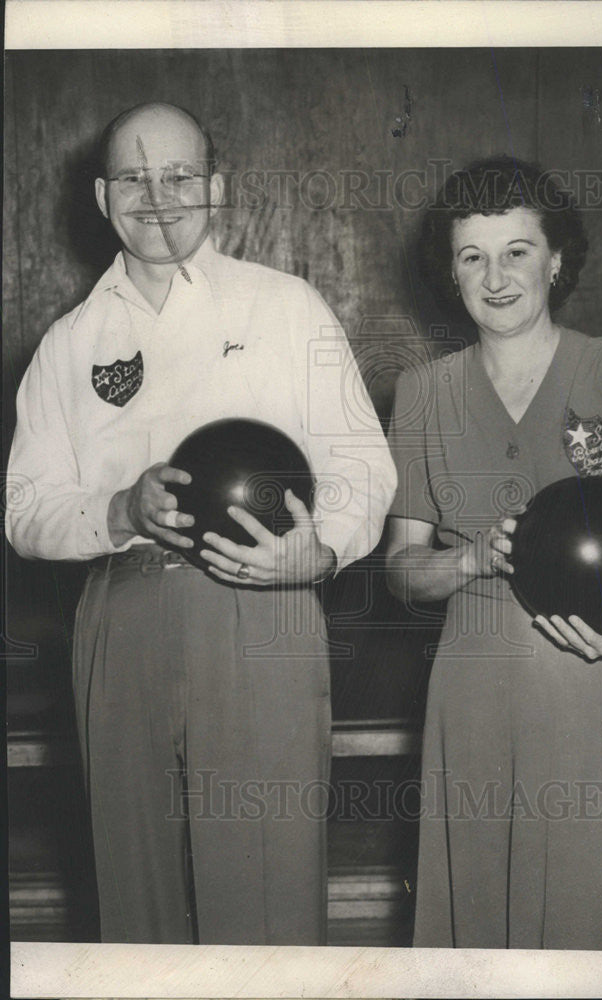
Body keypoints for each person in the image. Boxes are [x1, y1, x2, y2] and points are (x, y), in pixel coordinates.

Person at [6, 102, 397, 945]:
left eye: (180, 175)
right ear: (104, 198)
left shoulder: (285, 307)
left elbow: (364, 463)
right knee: (130, 882)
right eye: (135, 180)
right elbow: (25, 507)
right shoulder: (69, 343)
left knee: (268, 877)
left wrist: (318, 552)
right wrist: (116, 508)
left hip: (264, 606)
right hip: (122, 611)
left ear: (215, 189)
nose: (159, 196)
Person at [385, 156, 602, 951]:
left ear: (556, 260)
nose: (495, 276)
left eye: (517, 251)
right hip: (474, 697)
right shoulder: (423, 393)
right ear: (450, 273)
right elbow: (400, 567)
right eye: (472, 256)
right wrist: (468, 563)